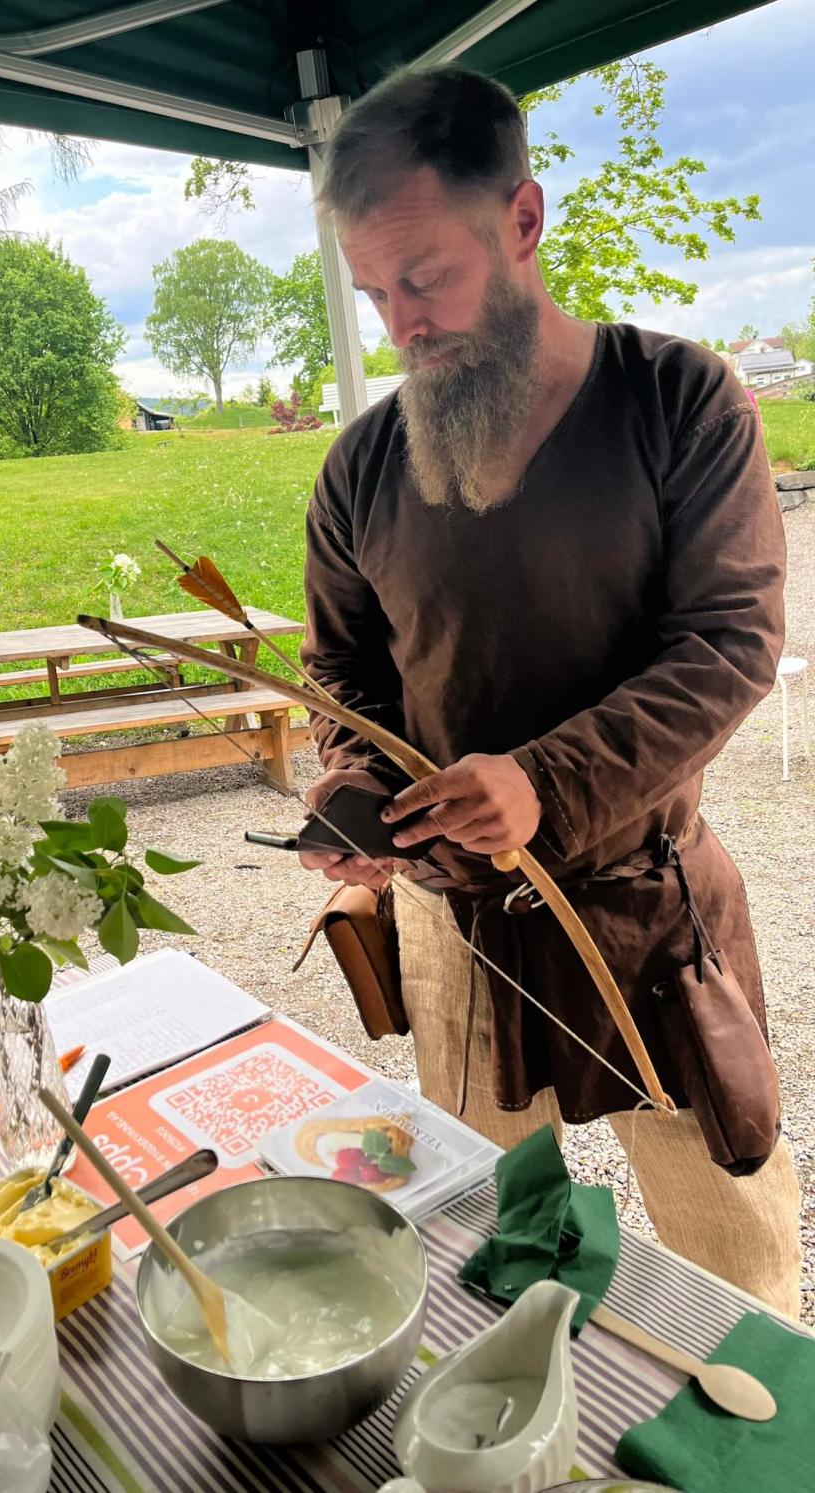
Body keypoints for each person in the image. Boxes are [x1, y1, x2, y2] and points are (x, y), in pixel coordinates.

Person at [298, 64, 802, 1317]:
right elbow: (342, 668)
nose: (402, 325)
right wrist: (359, 797)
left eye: (427, 277)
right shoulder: (359, 466)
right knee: (487, 1221)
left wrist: (545, 781)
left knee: (731, 1248)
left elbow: (730, 639)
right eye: (374, 293)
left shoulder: (677, 401)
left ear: (521, 219)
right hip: (457, 921)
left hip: (644, 912)